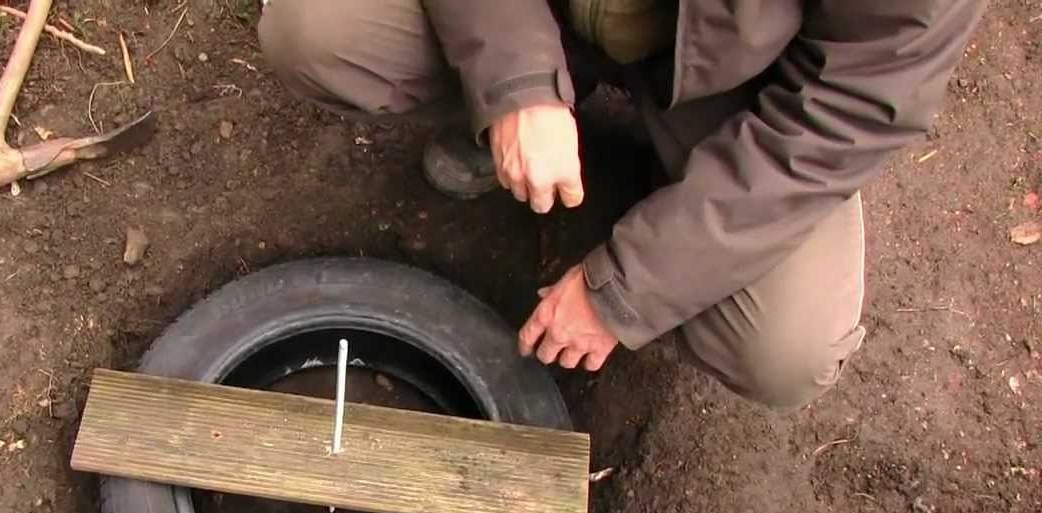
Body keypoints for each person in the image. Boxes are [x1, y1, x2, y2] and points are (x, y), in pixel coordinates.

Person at [256, 0, 986, 409]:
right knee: (317, 34)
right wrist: (513, 82)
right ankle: (518, 105)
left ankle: (674, 196)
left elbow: (852, 108)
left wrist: (633, 287)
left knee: (783, 350)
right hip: (538, 12)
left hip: (735, 93)